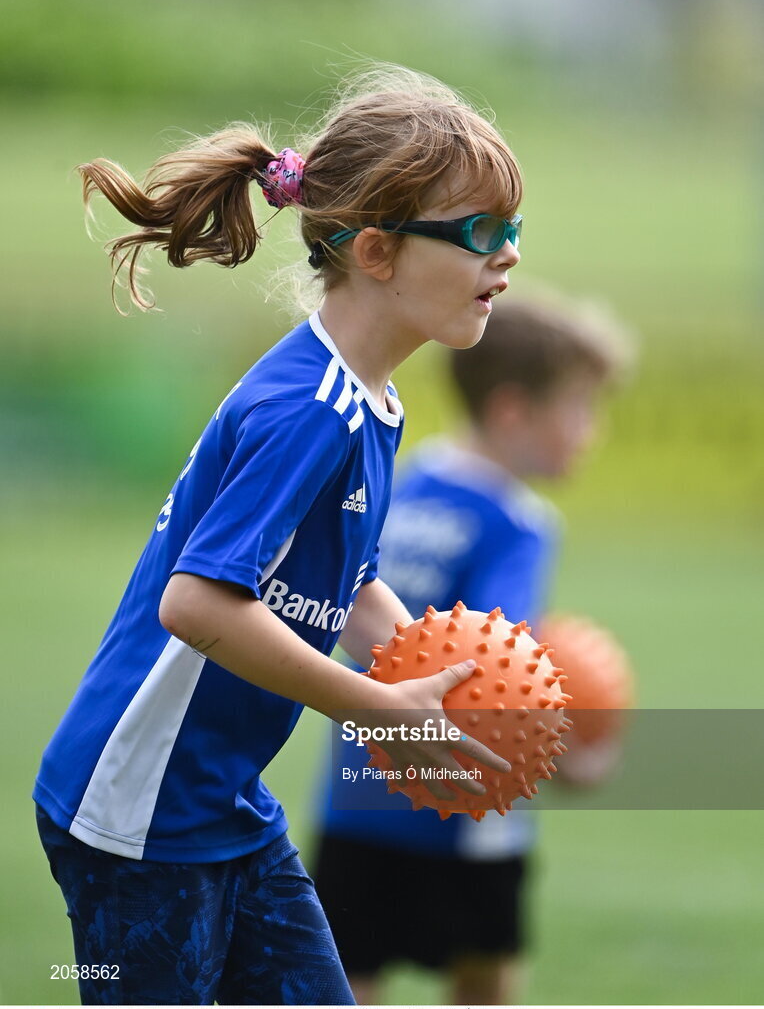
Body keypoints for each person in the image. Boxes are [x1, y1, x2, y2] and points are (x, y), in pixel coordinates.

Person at [32, 66, 524, 1006]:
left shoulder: (369, 400)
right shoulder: (310, 408)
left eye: (513, 232)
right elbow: (199, 605)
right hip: (141, 814)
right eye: (478, 233)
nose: (504, 258)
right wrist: (374, 710)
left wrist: (443, 678)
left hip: (224, 803)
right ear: (377, 251)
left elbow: (348, 581)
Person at [313, 293, 632, 1006]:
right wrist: (574, 758)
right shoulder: (519, 523)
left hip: (357, 796)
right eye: (580, 408)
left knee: (345, 982)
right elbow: (489, 681)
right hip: (465, 812)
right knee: (485, 980)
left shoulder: (397, 482)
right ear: (514, 410)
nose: (593, 430)